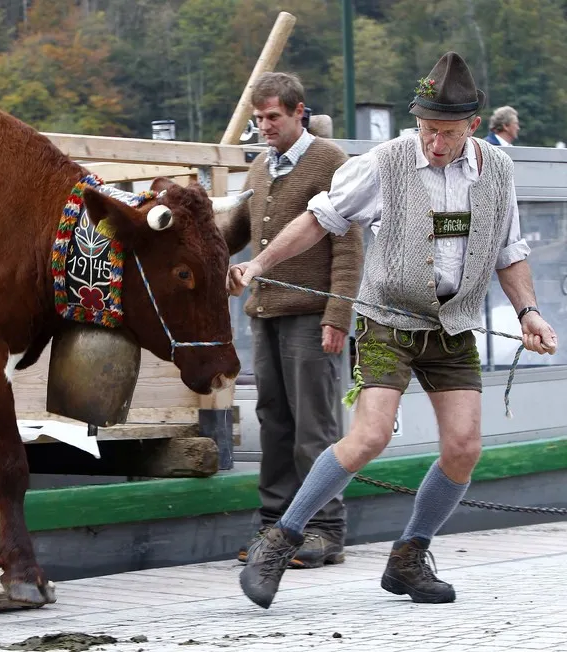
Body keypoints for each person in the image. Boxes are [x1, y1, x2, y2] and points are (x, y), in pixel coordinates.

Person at [229, 51, 558, 609]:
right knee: (370, 436)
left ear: (472, 127)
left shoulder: (498, 172)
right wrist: (259, 265)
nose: (434, 143)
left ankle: (408, 558)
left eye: (447, 133)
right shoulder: (386, 162)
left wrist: (529, 311)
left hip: (453, 326)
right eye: (427, 129)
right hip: (388, 321)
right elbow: (320, 218)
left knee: (463, 447)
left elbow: (508, 253)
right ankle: (279, 540)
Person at [219, 72, 363, 569]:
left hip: (311, 317)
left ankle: (325, 531)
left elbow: (348, 245)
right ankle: (274, 528)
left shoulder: (330, 162)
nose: (264, 127)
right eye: (258, 119)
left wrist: (337, 313)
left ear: (299, 112)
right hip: (265, 314)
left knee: (315, 428)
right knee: (274, 423)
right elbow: (234, 231)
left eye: (273, 117)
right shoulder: (260, 168)